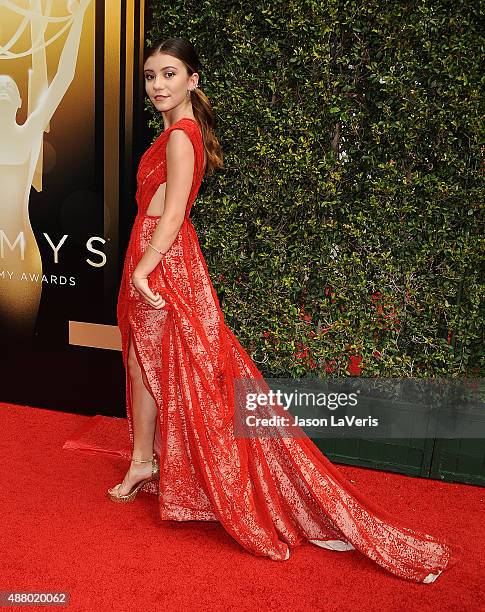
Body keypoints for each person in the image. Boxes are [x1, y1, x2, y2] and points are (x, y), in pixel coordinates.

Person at [107, 37, 459, 583]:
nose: (156, 85)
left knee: (199, 375)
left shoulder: (181, 136)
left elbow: (174, 211)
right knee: (145, 366)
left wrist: (142, 269)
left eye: (168, 74)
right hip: (156, 254)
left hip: (163, 261)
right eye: (151, 75)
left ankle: (191, 472)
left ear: (192, 81)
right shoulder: (178, 132)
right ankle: (145, 462)